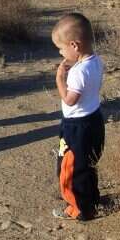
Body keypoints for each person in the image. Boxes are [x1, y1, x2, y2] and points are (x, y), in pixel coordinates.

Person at [51, 12, 106, 220]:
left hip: (77, 127)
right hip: (94, 120)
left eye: (61, 49)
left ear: (74, 45)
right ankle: (91, 201)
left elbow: (70, 99)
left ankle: (78, 208)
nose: (60, 53)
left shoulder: (77, 72)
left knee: (72, 169)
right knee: (89, 164)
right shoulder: (97, 61)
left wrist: (60, 79)